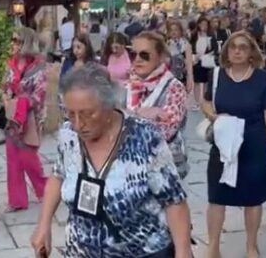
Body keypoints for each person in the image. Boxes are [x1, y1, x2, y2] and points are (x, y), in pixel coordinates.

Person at [30, 64, 192, 258]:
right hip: (82, 251)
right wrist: (43, 224)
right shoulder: (68, 134)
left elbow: (174, 200)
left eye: (88, 113)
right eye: (70, 113)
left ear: (109, 106)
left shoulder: (145, 137)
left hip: (141, 251)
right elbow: (58, 175)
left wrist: (183, 250)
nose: (79, 124)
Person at [201, 31, 266, 258]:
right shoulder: (216, 75)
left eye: (243, 47)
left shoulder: (264, 79)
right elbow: (206, 102)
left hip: (255, 144)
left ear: (251, 53)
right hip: (224, 144)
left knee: (253, 198)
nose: (237, 51)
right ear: (226, 51)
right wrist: (214, 117)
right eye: (233, 47)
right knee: (217, 197)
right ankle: (213, 247)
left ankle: (251, 246)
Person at [127, 31, 189, 179]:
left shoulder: (175, 87)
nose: (137, 59)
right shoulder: (129, 86)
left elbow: (163, 132)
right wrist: (141, 113)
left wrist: (129, 117)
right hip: (132, 168)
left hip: (166, 170)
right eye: (133, 54)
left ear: (161, 57)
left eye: (144, 55)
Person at [2, 27, 48, 212]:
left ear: (26, 43)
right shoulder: (10, 64)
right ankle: (17, 200)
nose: (13, 44)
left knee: (29, 158)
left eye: (17, 41)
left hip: (30, 118)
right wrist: (6, 98)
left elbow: (40, 95)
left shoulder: (38, 67)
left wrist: (20, 101)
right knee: (13, 158)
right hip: (12, 117)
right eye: (12, 40)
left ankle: (45, 190)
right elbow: (4, 86)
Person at [190, 16, 218, 111]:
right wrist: (194, 56)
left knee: (206, 82)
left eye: (205, 24)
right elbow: (190, 47)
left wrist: (210, 53)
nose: (203, 26)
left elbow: (215, 49)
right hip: (197, 60)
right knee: (197, 82)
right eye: (201, 24)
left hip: (207, 60)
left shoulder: (211, 35)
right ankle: (197, 102)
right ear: (198, 25)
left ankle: (205, 101)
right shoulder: (194, 35)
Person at [166, 19, 195, 93]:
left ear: (180, 31)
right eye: (171, 30)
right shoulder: (166, 45)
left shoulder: (185, 45)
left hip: (182, 76)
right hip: (169, 76)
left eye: (176, 30)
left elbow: (189, 63)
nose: (174, 32)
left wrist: (190, 78)